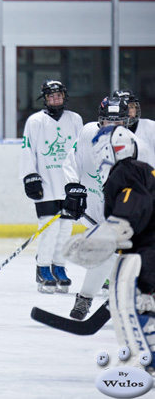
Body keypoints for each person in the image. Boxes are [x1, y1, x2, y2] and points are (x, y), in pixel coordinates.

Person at [63, 125, 155, 368]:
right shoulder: (138, 168)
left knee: (138, 300)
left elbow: (133, 204)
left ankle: (150, 359)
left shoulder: (126, 173)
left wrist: (110, 232)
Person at [19, 80, 83, 294]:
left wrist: (81, 181)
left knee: (65, 229)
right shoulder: (35, 121)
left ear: (64, 96)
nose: (55, 99)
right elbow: (27, 150)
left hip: (68, 184)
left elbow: (81, 152)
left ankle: (59, 267)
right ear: (44, 98)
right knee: (49, 228)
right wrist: (30, 176)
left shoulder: (75, 120)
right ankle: (43, 267)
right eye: (51, 96)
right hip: (45, 184)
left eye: (58, 95)